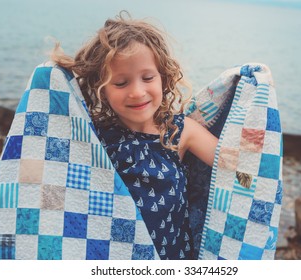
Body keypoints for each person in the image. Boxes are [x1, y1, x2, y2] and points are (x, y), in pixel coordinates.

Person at [51, 12, 218, 260]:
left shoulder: (179, 132)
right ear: (102, 90)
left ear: (164, 76)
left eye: (148, 78)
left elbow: (237, 167)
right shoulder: (95, 136)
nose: (137, 92)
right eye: (120, 83)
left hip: (172, 257)